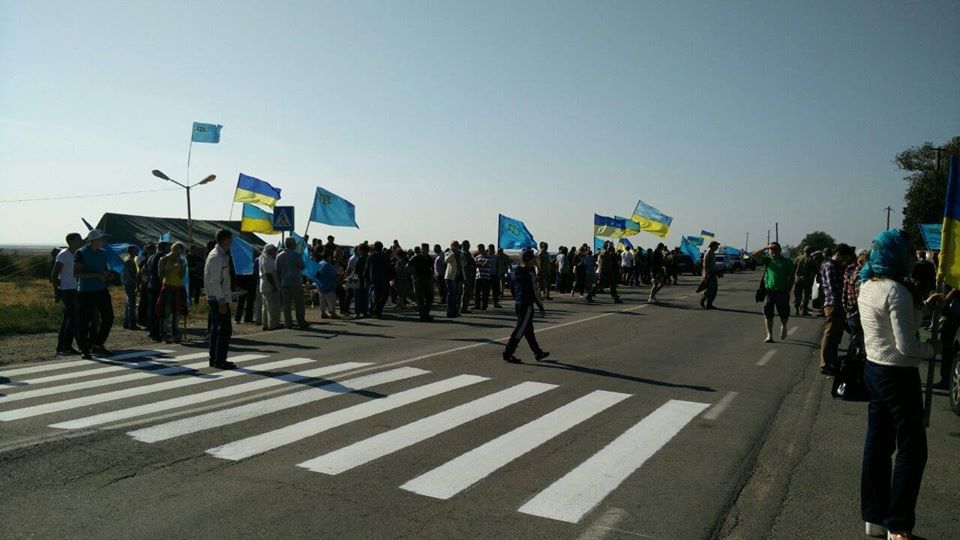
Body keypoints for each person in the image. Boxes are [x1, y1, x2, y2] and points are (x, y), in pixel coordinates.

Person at [858, 229, 936, 540]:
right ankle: (898, 524)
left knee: (877, 445)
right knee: (912, 450)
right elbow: (907, 346)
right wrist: (932, 349)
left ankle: (874, 516)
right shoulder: (896, 291)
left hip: (874, 369)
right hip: (898, 375)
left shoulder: (867, 284)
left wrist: (926, 304)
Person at [73, 229, 115, 359]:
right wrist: (97, 275)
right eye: (102, 239)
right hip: (85, 291)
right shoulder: (81, 252)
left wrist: (108, 275)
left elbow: (104, 269)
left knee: (109, 317)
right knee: (84, 320)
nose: (103, 241)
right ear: (94, 240)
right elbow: (77, 273)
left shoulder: (103, 253)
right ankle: (84, 348)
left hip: (101, 290)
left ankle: (97, 343)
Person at [503, 248, 549, 363]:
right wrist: (540, 306)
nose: (534, 261)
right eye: (533, 259)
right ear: (527, 260)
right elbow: (535, 291)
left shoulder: (515, 271)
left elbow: (512, 288)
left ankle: (538, 352)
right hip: (527, 304)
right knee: (520, 330)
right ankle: (508, 353)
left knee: (528, 330)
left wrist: (517, 298)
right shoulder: (529, 272)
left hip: (519, 303)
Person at [819, 244, 854, 376]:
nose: (844, 261)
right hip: (833, 303)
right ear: (838, 254)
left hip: (836, 303)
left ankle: (831, 362)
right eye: (844, 258)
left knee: (835, 336)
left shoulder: (834, 265)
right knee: (830, 334)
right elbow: (833, 287)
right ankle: (825, 364)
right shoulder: (830, 266)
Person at [204, 230, 237, 369]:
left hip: (217, 297)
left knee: (217, 330)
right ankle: (219, 360)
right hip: (217, 299)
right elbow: (215, 281)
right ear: (224, 240)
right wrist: (222, 301)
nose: (231, 242)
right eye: (230, 239)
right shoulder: (217, 256)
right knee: (224, 330)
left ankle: (215, 358)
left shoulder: (222, 254)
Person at [752, 242, 795, 343]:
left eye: (775, 249)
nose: (773, 251)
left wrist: (789, 289)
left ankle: (784, 326)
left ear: (780, 250)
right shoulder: (768, 260)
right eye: (772, 250)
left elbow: (792, 277)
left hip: (782, 291)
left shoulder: (787, 262)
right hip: (769, 291)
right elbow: (754, 256)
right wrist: (766, 247)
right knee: (768, 313)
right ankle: (769, 335)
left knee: (784, 312)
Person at [51, 232, 83, 355]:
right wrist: (56, 292)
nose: (81, 241)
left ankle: (63, 347)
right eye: (78, 239)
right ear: (71, 241)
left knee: (69, 319)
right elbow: (54, 275)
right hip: (67, 290)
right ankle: (65, 347)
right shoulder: (63, 255)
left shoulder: (77, 254)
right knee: (72, 319)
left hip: (75, 289)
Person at [156, 241, 187, 343]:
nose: (179, 253)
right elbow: (160, 275)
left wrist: (182, 267)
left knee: (177, 312)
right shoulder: (163, 259)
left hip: (178, 287)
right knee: (167, 312)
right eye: (177, 250)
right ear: (173, 249)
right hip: (168, 287)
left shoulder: (181, 260)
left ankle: (175, 334)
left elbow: (182, 276)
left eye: (180, 251)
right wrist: (171, 269)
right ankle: (164, 335)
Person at [843, 249, 869, 358]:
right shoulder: (860, 276)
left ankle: (852, 360)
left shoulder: (851, 272)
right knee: (858, 340)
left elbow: (845, 292)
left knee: (855, 337)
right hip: (857, 312)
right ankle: (852, 361)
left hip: (851, 311)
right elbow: (860, 297)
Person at [277, 237, 308, 329]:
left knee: (286, 305)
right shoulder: (296, 255)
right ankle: (301, 321)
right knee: (299, 303)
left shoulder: (279, 255)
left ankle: (288, 323)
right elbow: (302, 266)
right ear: (293, 244)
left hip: (284, 282)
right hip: (295, 282)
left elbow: (277, 269)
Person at [146, 241, 170, 341]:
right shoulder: (163, 256)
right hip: (159, 285)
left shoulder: (151, 257)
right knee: (160, 309)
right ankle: (158, 332)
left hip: (151, 284)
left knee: (152, 309)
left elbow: (145, 270)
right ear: (165, 247)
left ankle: (152, 330)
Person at [366, 241, 394, 318]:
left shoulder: (371, 256)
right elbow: (389, 266)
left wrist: (367, 278)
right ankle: (378, 309)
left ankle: (377, 311)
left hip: (375, 278)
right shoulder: (385, 256)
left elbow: (367, 268)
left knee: (377, 295)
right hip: (384, 277)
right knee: (385, 294)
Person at [410, 244, 435, 322]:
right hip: (419, 281)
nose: (423, 251)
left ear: (428, 249)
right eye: (422, 249)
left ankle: (425, 314)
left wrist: (432, 277)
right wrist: (414, 275)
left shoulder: (429, 258)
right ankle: (423, 316)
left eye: (425, 249)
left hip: (428, 280)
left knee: (430, 298)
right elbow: (408, 266)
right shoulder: (416, 258)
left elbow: (432, 269)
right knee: (420, 299)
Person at [259, 244, 281, 330]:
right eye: (273, 250)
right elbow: (268, 274)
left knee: (265, 307)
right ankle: (273, 324)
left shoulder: (263, 258)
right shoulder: (267, 259)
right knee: (272, 306)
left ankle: (265, 324)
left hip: (264, 286)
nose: (275, 251)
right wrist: (274, 285)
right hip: (269, 286)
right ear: (270, 250)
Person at [315, 249, 341, 319]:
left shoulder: (320, 263)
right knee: (332, 300)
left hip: (320, 285)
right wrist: (340, 274)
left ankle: (323, 312)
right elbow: (334, 275)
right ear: (329, 256)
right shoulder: (327, 265)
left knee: (322, 300)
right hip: (327, 285)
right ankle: (333, 313)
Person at [119, 245, 140, 330]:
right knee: (131, 304)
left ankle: (126, 323)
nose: (137, 251)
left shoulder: (127, 259)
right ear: (131, 251)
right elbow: (131, 274)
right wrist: (136, 282)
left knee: (129, 303)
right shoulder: (130, 261)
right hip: (130, 283)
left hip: (127, 283)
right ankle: (132, 324)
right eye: (135, 250)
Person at [444, 241, 465, 318]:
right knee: (451, 294)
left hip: (459, 277)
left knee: (457, 295)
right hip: (451, 277)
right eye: (454, 245)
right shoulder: (448, 253)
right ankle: (449, 311)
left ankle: (455, 311)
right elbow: (446, 260)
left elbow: (464, 263)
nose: (455, 247)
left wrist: (463, 258)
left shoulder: (461, 253)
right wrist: (453, 253)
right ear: (451, 246)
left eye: (457, 245)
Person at [793, 247, 817, 316]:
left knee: (797, 295)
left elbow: (793, 268)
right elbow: (814, 270)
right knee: (805, 296)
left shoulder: (798, 258)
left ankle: (797, 310)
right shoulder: (811, 259)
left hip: (798, 279)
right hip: (807, 280)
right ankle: (804, 311)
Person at [136, 243, 155, 327]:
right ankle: (143, 319)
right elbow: (142, 271)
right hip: (146, 282)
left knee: (145, 302)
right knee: (145, 302)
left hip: (146, 282)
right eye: (149, 249)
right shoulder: (146, 259)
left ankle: (144, 319)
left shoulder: (149, 259)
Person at [699, 241, 720, 309]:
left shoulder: (712, 253)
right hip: (709, 273)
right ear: (713, 246)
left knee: (714, 289)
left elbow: (712, 265)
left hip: (712, 273)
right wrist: (706, 275)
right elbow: (705, 265)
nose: (717, 247)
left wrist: (717, 272)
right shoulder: (708, 253)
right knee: (711, 288)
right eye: (716, 246)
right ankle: (703, 299)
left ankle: (709, 304)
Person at [474, 244, 492, 310]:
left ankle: (484, 305)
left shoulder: (488, 256)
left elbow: (485, 264)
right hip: (478, 276)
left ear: (483, 248)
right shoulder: (477, 257)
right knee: (477, 292)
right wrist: (481, 263)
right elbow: (475, 265)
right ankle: (477, 305)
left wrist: (480, 263)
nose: (479, 250)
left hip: (486, 277)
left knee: (485, 292)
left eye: (480, 249)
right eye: (478, 249)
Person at [460, 240, 476, 313]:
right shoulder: (463, 254)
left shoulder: (467, 253)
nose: (469, 246)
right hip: (466, 274)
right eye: (467, 245)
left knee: (467, 291)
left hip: (468, 274)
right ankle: (463, 307)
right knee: (465, 291)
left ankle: (464, 307)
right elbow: (469, 263)